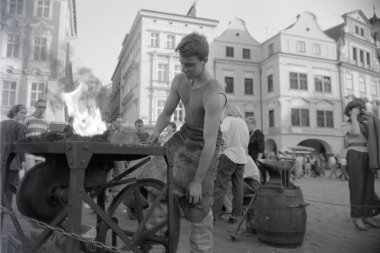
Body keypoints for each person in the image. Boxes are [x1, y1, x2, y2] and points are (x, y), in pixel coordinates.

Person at [139, 32, 226, 252]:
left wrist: (197, 181)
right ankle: (154, 236)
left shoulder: (214, 93)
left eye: (190, 65)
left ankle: (201, 248)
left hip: (205, 145)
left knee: (198, 204)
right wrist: (155, 133)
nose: (185, 69)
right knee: (153, 180)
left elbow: (209, 143)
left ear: (204, 60)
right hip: (184, 136)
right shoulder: (179, 80)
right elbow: (167, 112)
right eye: (182, 64)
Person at [341, 99, 380, 230]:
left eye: (360, 108)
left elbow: (375, 135)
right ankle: (357, 217)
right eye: (355, 109)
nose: (359, 111)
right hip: (355, 153)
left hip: (368, 154)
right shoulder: (345, 125)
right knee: (357, 187)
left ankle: (367, 215)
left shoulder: (366, 123)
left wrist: (372, 117)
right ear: (349, 111)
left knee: (369, 187)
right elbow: (356, 132)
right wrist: (353, 117)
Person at [212, 102, 249, 224]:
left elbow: (220, 133)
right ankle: (236, 215)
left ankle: (213, 215)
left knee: (220, 187)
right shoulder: (243, 122)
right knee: (238, 188)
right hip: (242, 157)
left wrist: (223, 146)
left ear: (227, 110)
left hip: (229, 155)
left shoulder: (228, 120)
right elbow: (246, 142)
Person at [1, 104, 27, 226]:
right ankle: (6, 211)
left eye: (25, 113)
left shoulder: (1, 124)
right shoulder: (20, 126)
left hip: (1, 160)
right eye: (22, 112)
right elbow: (20, 145)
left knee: (2, 184)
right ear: (15, 113)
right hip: (13, 161)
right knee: (9, 187)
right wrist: (23, 161)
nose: (24, 115)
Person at [24, 99, 49, 171]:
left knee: (38, 175)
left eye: (43, 107)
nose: (41, 109)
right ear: (35, 107)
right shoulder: (28, 119)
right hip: (29, 152)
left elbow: (46, 138)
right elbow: (22, 135)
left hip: (41, 153)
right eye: (39, 107)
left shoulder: (46, 121)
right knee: (29, 174)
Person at [246, 116, 266, 184]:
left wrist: (258, 160)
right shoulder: (249, 133)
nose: (247, 126)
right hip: (251, 159)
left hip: (258, 159)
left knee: (259, 176)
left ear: (254, 124)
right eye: (247, 125)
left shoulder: (259, 133)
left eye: (249, 125)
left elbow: (261, 148)